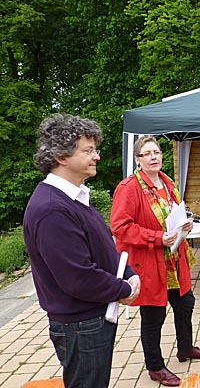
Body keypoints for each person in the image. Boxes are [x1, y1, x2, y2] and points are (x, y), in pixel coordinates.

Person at [23, 114, 141, 388]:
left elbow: (101, 247)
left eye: (94, 150)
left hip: (90, 319)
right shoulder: (52, 209)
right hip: (80, 324)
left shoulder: (73, 198)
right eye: (88, 151)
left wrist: (129, 273)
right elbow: (78, 277)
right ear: (62, 157)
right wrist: (124, 289)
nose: (96, 157)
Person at [110, 136, 200, 387]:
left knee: (185, 302)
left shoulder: (166, 181)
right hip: (150, 260)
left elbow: (173, 212)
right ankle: (155, 366)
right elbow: (119, 227)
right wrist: (157, 238)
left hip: (174, 258)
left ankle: (185, 348)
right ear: (137, 159)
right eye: (147, 154)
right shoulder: (129, 187)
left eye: (157, 152)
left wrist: (184, 223)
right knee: (153, 315)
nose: (154, 157)